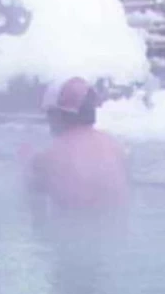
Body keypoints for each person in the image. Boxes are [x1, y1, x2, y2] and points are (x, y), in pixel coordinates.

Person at [27, 76, 130, 213]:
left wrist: (26, 163)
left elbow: (33, 207)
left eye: (50, 114)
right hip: (116, 229)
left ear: (59, 115)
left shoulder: (51, 156)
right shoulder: (116, 147)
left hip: (70, 229)